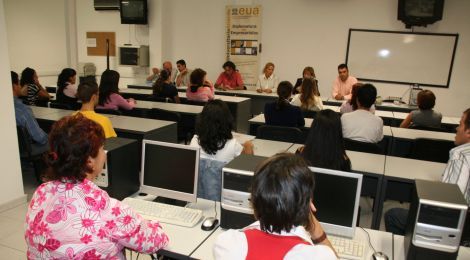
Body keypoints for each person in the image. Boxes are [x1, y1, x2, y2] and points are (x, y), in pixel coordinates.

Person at [25, 114, 168, 258]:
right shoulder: (108, 210)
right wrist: (152, 224)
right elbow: (157, 241)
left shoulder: (41, 193)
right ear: (89, 161)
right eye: (102, 148)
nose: (104, 153)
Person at [213, 153, 337, 259]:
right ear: (308, 204)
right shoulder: (319, 256)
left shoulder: (226, 244)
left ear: (254, 201)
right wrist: (314, 227)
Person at [385, 108, 470, 236]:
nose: (457, 128)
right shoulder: (438, 115)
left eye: (460, 124)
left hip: (456, 227)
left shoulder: (460, 155)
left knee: (393, 215)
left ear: (468, 131)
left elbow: (452, 205)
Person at [11, 71, 48, 153]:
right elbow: (40, 138)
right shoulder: (22, 109)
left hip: (12, 149)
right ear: (14, 86)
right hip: (28, 149)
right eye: (19, 83)